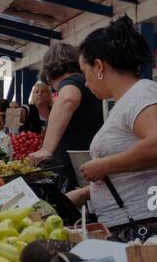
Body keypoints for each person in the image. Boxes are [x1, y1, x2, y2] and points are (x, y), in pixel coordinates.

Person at [66, 17, 157, 242]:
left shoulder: (143, 93)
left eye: (84, 71)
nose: (86, 82)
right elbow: (136, 171)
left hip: (147, 224)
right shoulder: (130, 99)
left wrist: (103, 165)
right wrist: (85, 192)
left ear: (99, 66)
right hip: (136, 222)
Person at [28, 43, 104, 180]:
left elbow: (68, 99)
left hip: (75, 170)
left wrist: (46, 149)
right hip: (88, 164)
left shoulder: (70, 82)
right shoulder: (85, 82)